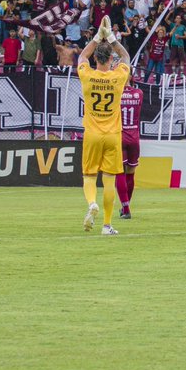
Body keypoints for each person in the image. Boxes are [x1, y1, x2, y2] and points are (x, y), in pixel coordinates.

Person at [76, 17, 132, 236]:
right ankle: (107, 226)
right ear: (111, 59)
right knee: (109, 180)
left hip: (92, 133)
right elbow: (126, 56)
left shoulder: (87, 76)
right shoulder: (118, 76)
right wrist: (111, 38)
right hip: (112, 135)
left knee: (89, 177)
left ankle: (91, 203)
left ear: (96, 60)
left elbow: (82, 56)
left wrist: (97, 38)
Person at [115, 73, 144, 219]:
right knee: (131, 172)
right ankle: (126, 207)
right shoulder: (139, 93)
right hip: (134, 136)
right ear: (131, 76)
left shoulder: (115, 93)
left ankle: (125, 208)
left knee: (118, 172)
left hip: (119, 134)